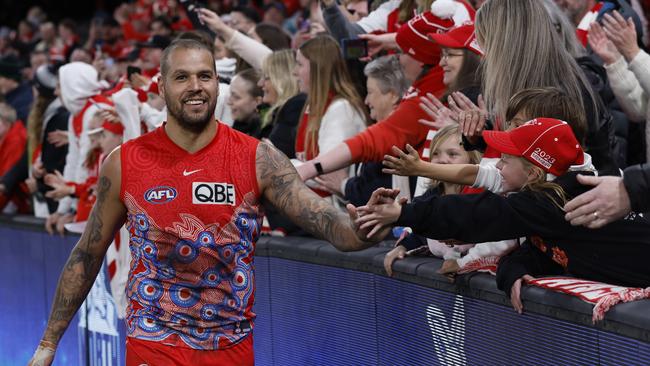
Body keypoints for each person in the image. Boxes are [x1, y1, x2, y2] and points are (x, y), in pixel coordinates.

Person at [28, 38, 382, 366]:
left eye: (205, 76)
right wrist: (48, 343)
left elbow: (326, 221)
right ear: (162, 87)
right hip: (154, 341)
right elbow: (87, 254)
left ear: (217, 84)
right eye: (182, 77)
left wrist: (365, 226)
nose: (195, 86)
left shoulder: (257, 158)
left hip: (230, 345)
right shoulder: (124, 162)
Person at [356, 117, 650, 314]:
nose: (497, 166)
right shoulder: (550, 203)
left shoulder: (554, 200)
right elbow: (537, 250)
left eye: (506, 160)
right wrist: (513, 271)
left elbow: (478, 215)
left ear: (534, 173)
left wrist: (403, 212)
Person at [293, 35, 368, 197]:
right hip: (315, 203)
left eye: (299, 64)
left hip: (337, 209)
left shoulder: (342, 109)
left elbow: (328, 175)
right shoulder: (314, 105)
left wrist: (282, 165)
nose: (294, 72)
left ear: (317, 69)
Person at [259, 49, 306, 158]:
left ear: (283, 80)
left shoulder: (296, 107)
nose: (260, 83)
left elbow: (274, 158)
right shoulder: (271, 113)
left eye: (266, 77)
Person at [228, 68, 264, 138]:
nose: (229, 102)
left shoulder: (263, 138)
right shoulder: (239, 125)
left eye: (236, 97)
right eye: (231, 94)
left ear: (257, 101)